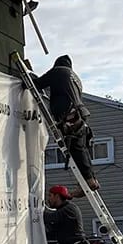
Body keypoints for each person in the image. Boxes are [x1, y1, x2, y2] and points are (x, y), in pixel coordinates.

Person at [31, 55, 99, 197]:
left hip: (69, 113)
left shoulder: (58, 71)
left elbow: (38, 83)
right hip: (80, 114)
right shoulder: (76, 79)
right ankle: (90, 179)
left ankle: (89, 180)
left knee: (76, 149)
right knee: (82, 149)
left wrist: (28, 78)